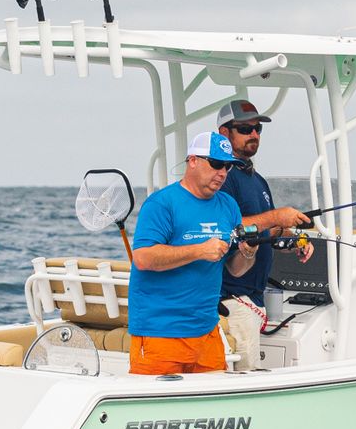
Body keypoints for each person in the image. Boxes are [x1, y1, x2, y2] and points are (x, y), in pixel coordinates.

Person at [126, 130, 253, 375]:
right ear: (193, 160)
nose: (222, 173)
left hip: (207, 332)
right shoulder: (162, 203)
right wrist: (199, 250)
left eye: (228, 166)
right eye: (216, 163)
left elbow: (236, 270)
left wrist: (248, 252)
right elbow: (143, 258)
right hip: (160, 333)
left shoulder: (228, 205)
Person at [210, 98, 312, 308]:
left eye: (258, 128)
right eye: (246, 129)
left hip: (255, 299)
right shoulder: (221, 177)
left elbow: (269, 230)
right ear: (224, 133)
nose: (254, 135)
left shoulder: (259, 181)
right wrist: (276, 216)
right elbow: (227, 227)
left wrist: (297, 240)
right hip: (229, 299)